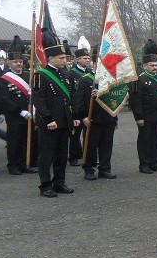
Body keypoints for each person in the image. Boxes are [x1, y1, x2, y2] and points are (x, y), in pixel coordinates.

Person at [33, 30, 80, 197]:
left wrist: (73, 117)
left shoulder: (66, 74)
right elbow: (38, 100)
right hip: (50, 123)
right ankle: (45, 185)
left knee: (61, 155)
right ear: (51, 58)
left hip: (64, 122)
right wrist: (48, 119)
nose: (64, 61)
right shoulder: (41, 75)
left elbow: (70, 98)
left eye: (65, 58)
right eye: (61, 58)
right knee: (46, 156)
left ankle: (59, 182)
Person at [129, 39, 157, 174]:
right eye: (151, 65)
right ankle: (144, 165)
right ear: (145, 66)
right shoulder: (139, 79)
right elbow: (135, 100)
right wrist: (138, 117)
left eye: (155, 65)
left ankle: (154, 163)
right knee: (144, 141)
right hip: (146, 117)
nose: (154, 67)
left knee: (156, 142)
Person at [75, 46, 119, 181]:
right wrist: (82, 117)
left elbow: (114, 100)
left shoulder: (110, 79)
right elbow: (79, 101)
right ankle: (89, 169)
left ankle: (105, 168)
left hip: (108, 117)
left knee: (107, 144)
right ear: (95, 64)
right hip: (92, 118)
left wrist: (115, 117)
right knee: (91, 145)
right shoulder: (86, 79)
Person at [0, 36, 37, 175]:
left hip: (29, 113)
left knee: (27, 139)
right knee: (14, 141)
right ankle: (13, 165)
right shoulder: (4, 78)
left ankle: (24, 163)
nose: (18, 63)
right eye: (15, 61)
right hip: (15, 115)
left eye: (20, 61)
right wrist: (20, 111)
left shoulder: (28, 76)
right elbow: (4, 98)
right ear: (9, 63)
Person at [67, 36, 94, 166]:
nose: (87, 60)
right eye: (85, 58)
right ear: (78, 60)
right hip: (76, 108)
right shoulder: (71, 73)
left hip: (88, 106)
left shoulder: (90, 72)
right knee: (75, 134)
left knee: (88, 133)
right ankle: (73, 156)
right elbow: (70, 91)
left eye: (88, 58)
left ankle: (85, 154)